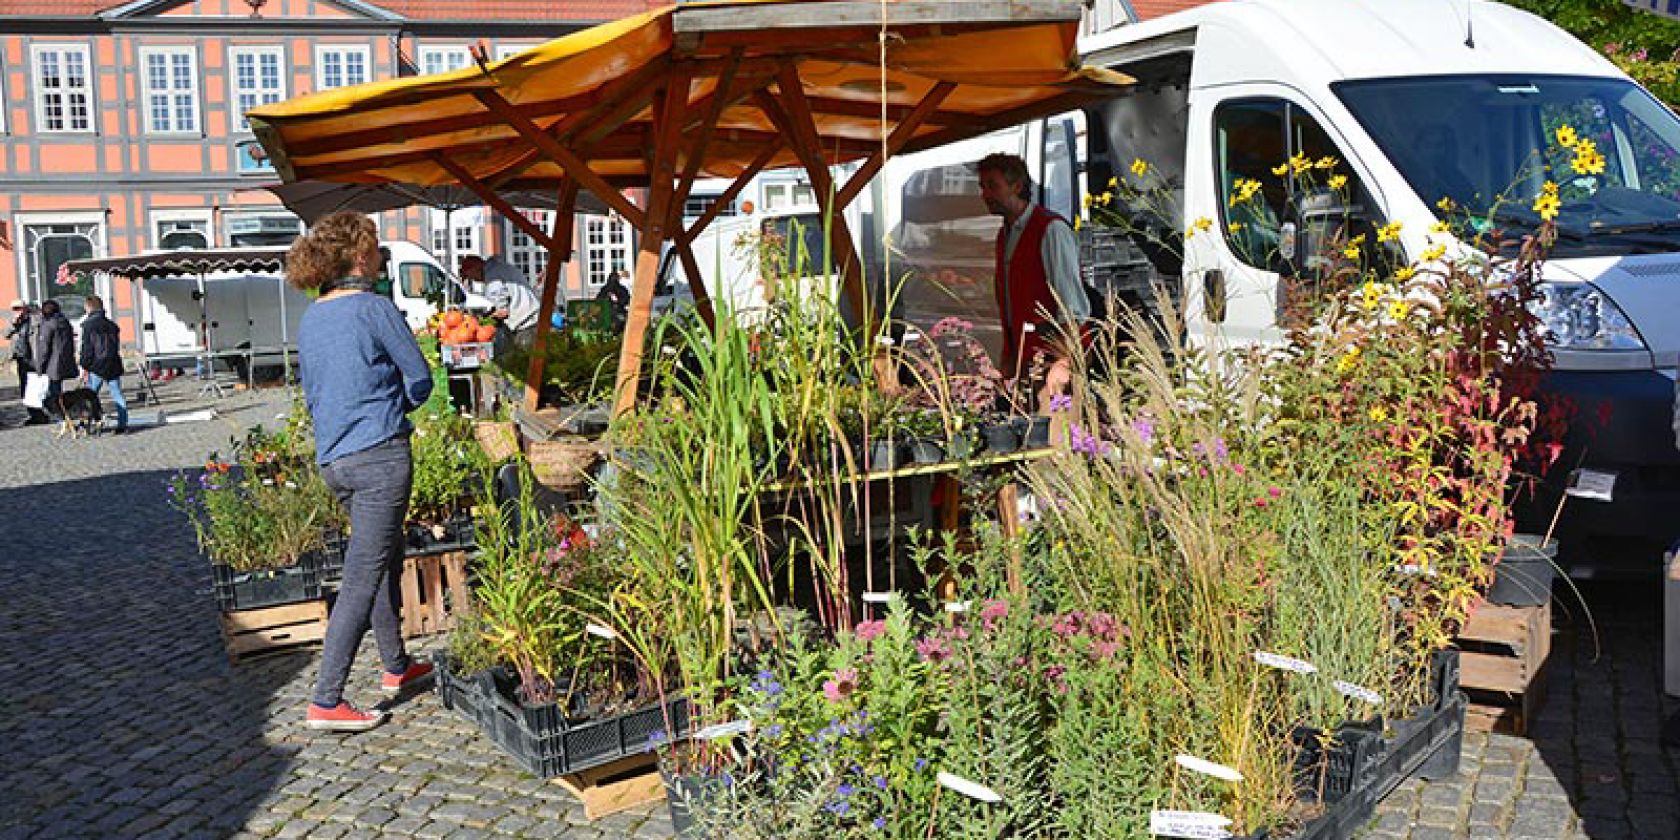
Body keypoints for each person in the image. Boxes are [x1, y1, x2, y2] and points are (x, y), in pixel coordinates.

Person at [291, 211, 435, 733]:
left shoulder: (312, 317)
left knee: (381, 556)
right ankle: (327, 698)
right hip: (379, 456)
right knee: (362, 575)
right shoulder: (375, 309)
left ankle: (396, 666)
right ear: (358, 256)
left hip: (336, 459)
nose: (379, 256)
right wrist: (399, 406)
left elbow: (314, 393)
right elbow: (421, 378)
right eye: (374, 248)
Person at [976, 152, 1089, 407]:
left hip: (1054, 362)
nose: (985, 195)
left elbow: (1072, 305)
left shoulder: (1051, 230)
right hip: (1026, 361)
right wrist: (1009, 355)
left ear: (1017, 186)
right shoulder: (1005, 234)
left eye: (992, 186)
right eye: (982, 187)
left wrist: (1064, 362)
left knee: (1061, 438)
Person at [458, 255, 540, 346]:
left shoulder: (492, 277)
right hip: (534, 317)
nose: (474, 280)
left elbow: (502, 310)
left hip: (526, 324)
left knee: (526, 357)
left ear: (475, 269)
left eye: (471, 277)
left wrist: (484, 320)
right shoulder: (500, 268)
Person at [78, 295, 129, 434]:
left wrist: (84, 364)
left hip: (96, 365)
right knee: (117, 395)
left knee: (89, 396)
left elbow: (87, 348)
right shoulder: (112, 325)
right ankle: (123, 423)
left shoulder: (88, 325)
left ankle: (86, 425)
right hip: (113, 363)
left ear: (89, 308)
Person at [32, 300, 78, 417]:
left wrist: (39, 367)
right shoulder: (65, 322)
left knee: (54, 392)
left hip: (53, 363)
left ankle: (60, 415)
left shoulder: (48, 325)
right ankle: (62, 412)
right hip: (65, 360)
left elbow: (44, 348)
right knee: (58, 390)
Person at [7, 300, 49, 426]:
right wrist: (14, 324)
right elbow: (6, 335)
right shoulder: (13, 321)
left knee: (37, 387)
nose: (17, 311)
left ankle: (41, 414)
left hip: (33, 358)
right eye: (14, 309)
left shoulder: (34, 319)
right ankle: (34, 414)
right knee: (25, 388)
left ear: (25, 308)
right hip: (21, 358)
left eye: (19, 308)